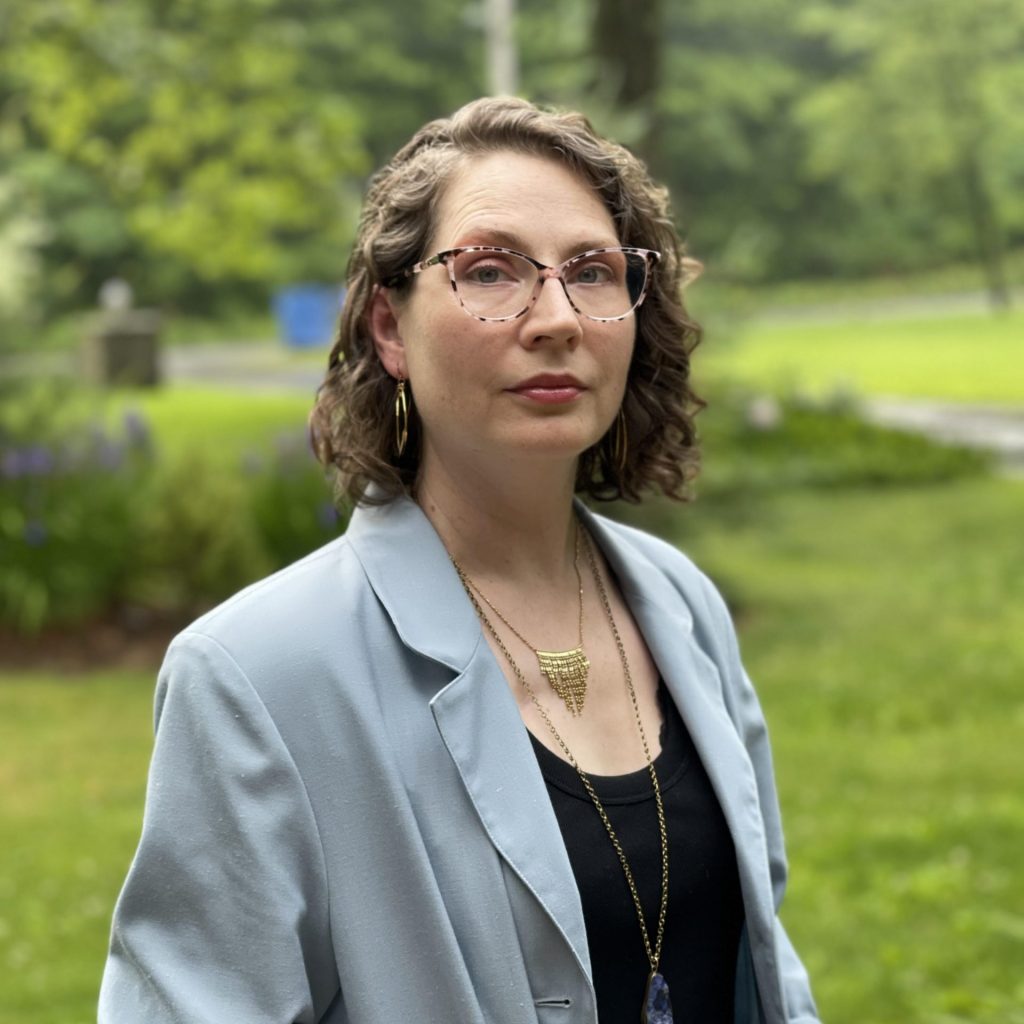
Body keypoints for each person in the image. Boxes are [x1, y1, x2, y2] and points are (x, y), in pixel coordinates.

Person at [99, 97, 820, 1024]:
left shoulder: (679, 604)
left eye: (592, 272)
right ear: (388, 329)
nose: (556, 317)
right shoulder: (254, 675)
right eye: (489, 270)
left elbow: (764, 960)